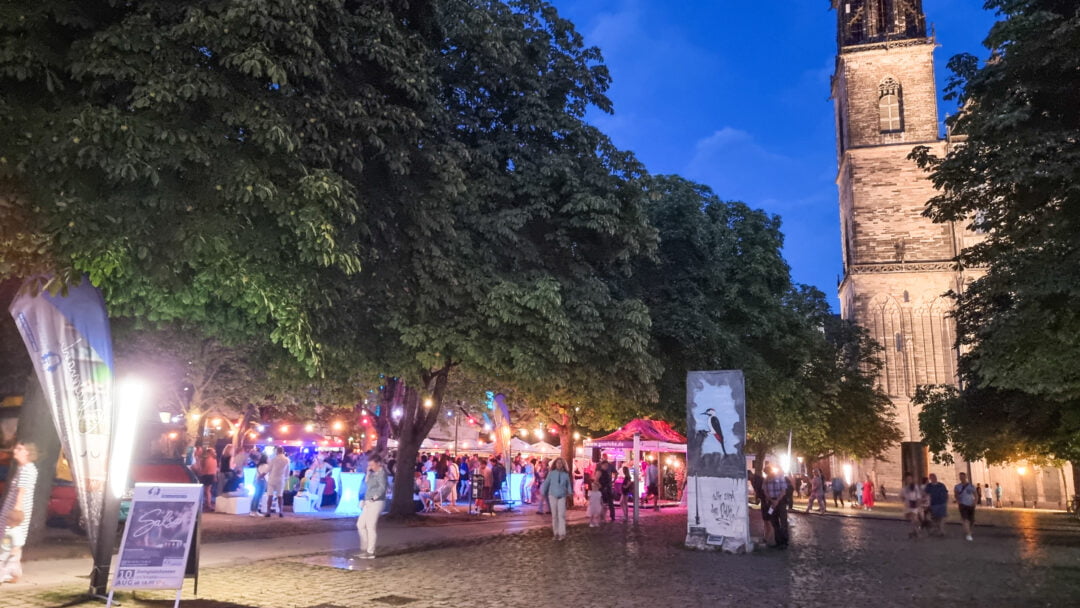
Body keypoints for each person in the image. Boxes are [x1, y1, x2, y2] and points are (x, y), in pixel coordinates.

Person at [0, 442, 39, 584]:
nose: (15, 450)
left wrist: (15, 511)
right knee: (14, 541)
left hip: (15, 513)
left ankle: (4, 572)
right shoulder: (24, 468)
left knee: (7, 541)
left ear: (27, 453)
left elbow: (22, 491)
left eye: (19, 449)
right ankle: (14, 571)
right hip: (16, 511)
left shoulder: (26, 470)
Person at [356, 455, 387, 559]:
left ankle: (370, 551)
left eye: (372, 465)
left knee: (370, 526)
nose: (370, 466)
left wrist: (374, 497)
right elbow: (367, 483)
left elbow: (382, 488)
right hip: (368, 501)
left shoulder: (382, 473)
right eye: (369, 464)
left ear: (378, 463)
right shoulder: (373, 473)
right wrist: (368, 473)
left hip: (376, 502)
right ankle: (365, 548)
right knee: (360, 524)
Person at [539, 457, 572, 540]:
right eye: (557, 463)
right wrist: (543, 492)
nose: (559, 464)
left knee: (561, 515)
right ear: (555, 464)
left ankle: (562, 533)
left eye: (561, 463)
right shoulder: (551, 473)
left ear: (563, 464)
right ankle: (556, 533)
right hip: (552, 495)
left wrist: (570, 493)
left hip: (562, 496)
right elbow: (546, 483)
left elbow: (568, 485)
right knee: (554, 515)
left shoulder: (566, 474)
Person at [762, 467, 790, 548]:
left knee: (783, 521)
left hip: (781, 501)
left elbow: (783, 491)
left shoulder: (780, 478)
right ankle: (778, 541)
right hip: (771, 501)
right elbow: (765, 491)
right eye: (766, 474)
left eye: (768, 473)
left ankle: (784, 542)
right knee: (774, 522)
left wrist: (777, 501)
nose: (768, 475)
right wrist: (771, 500)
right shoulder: (766, 480)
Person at [266, 447, 290, 517]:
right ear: (283, 451)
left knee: (270, 495)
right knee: (280, 496)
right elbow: (287, 471)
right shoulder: (287, 460)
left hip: (272, 478)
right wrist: (285, 478)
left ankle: (268, 511)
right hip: (281, 479)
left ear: (277, 451)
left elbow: (268, 469)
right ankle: (281, 512)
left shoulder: (273, 459)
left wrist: (262, 475)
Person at [954, 472, 978, 541]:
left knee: (972, 520)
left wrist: (975, 502)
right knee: (965, 520)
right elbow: (956, 494)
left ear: (965, 477)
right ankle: (968, 534)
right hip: (963, 505)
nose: (961, 478)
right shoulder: (957, 486)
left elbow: (975, 494)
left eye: (963, 477)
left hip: (971, 505)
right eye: (960, 477)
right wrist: (958, 501)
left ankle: (968, 530)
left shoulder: (971, 486)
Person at [900, 474, 924, 539]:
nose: (909, 481)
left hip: (915, 505)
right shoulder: (904, 489)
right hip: (908, 506)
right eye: (907, 479)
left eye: (910, 479)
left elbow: (918, 496)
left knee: (915, 519)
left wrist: (918, 504)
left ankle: (916, 532)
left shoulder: (915, 487)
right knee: (913, 520)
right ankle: (915, 532)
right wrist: (905, 501)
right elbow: (902, 497)